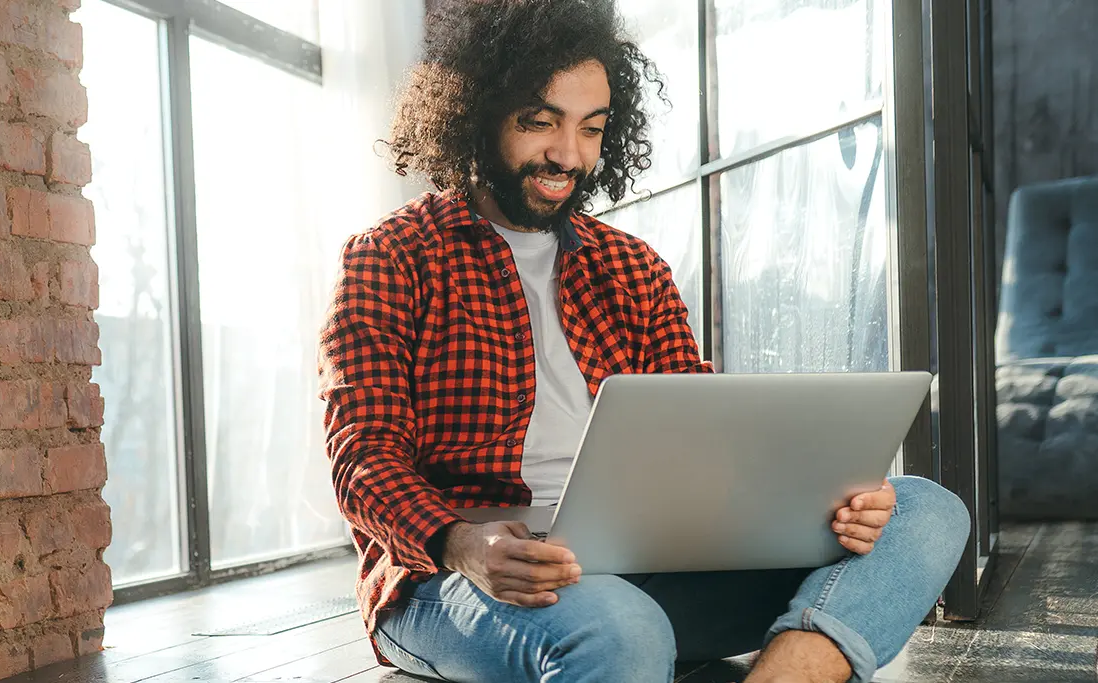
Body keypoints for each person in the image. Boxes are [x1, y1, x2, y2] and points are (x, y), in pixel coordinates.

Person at [317, 1, 971, 681]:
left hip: (649, 566)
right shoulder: (388, 257)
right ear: (476, 113)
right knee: (622, 631)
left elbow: (704, 434)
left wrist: (829, 506)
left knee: (924, 512)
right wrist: (463, 543)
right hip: (454, 581)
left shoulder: (631, 266)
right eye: (540, 122)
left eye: (591, 129)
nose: (568, 155)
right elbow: (362, 458)